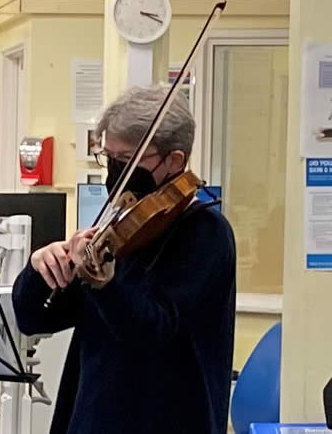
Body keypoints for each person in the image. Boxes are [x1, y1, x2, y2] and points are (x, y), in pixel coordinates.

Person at [13, 84, 236, 434]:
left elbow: (153, 329)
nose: (115, 172)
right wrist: (40, 269)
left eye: (128, 160)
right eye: (110, 159)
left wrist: (108, 283)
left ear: (174, 161)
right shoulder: (121, 226)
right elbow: (33, 318)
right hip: (91, 415)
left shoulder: (205, 233)